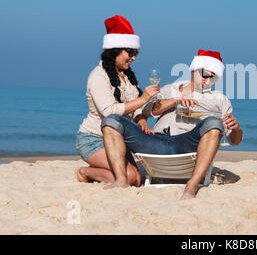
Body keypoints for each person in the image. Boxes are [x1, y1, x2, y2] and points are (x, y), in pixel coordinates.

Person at [100, 50, 244, 199]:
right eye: (204, 74)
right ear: (193, 70)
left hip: (186, 144)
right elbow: (150, 111)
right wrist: (177, 100)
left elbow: (235, 141)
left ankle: (191, 186)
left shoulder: (219, 99)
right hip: (155, 141)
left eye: (213, 77)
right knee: (112, 120)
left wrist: (236, 129)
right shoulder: (170, 89)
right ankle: (121, 180)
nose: (207, 80)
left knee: (213, 123)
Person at [75, 15, 159, 186]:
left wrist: (141, 120)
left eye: (136, 53)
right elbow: (110, 113)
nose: (134, 58)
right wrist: (143, 99)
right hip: (93, 139)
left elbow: (134, 108)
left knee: (137, 179)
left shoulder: (127, 76)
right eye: (131, 52)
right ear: (115, 50)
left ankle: (104, 170)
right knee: (130, 178)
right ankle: (84, 172)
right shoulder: (98, 76)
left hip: (118, 140)